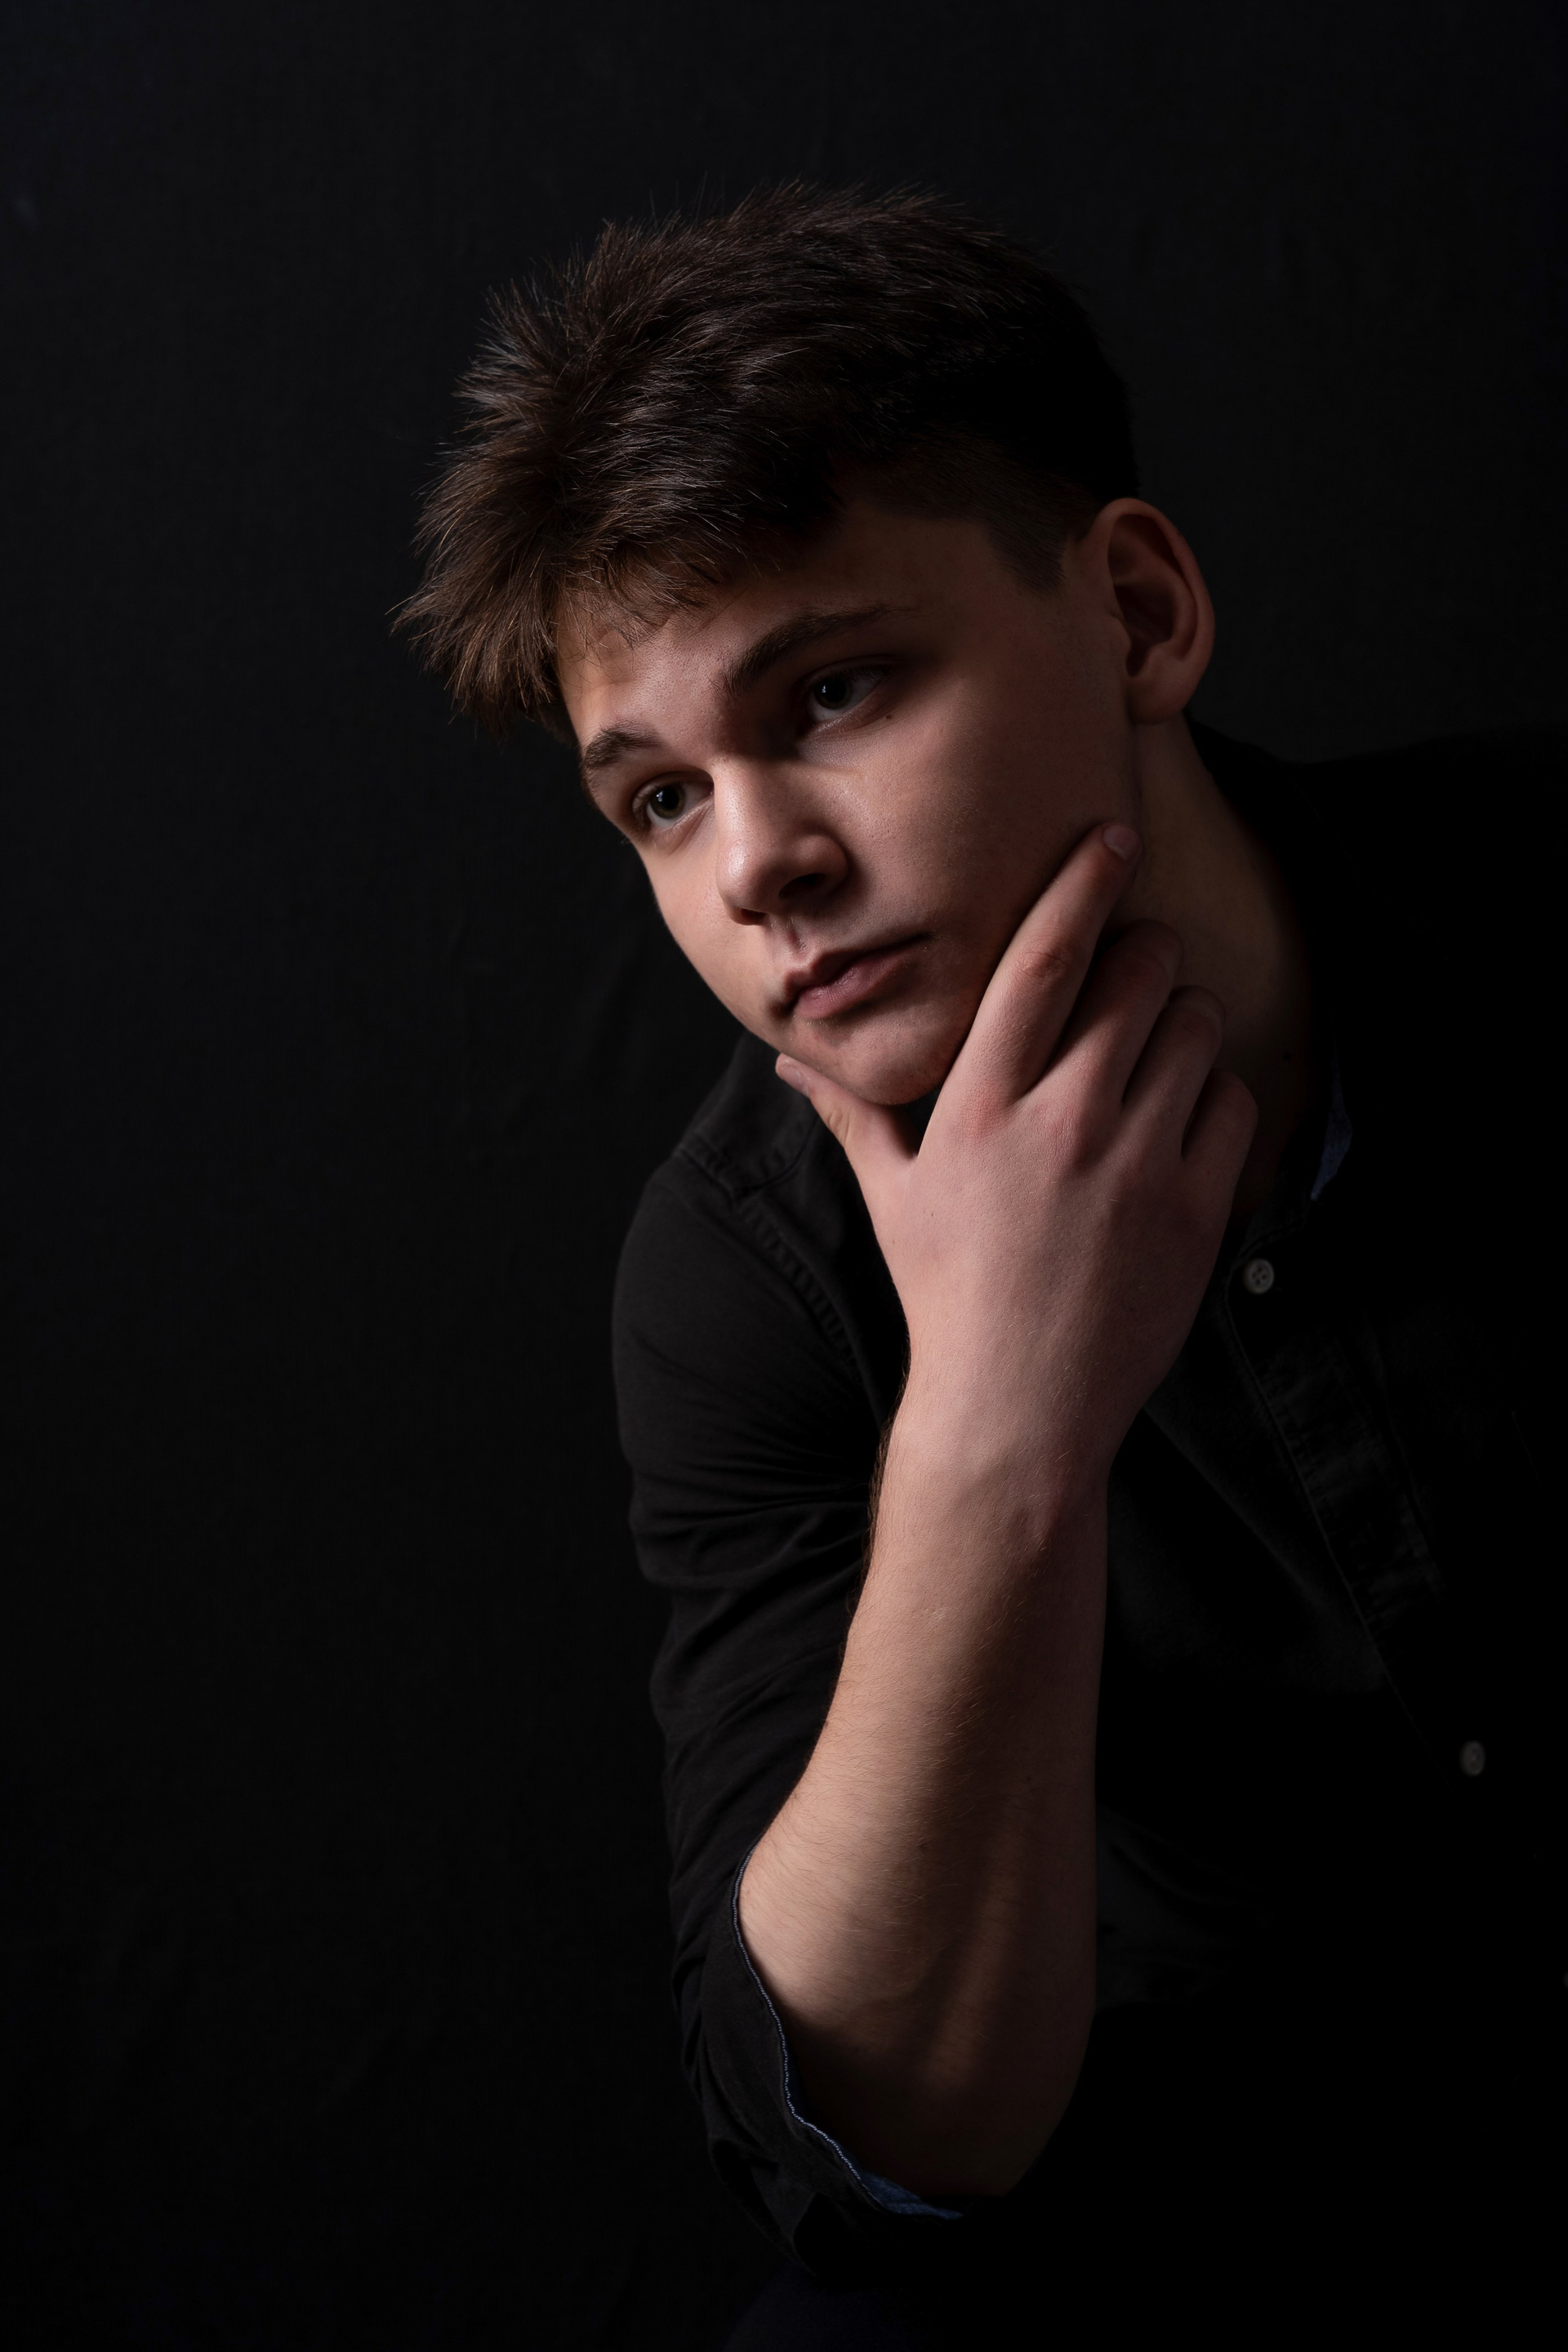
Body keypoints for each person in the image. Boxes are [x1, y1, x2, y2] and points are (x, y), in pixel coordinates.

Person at [403, 187, 1561, 2341]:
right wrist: (997, 1435)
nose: (759, 865)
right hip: (1213, 2192)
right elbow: (882, 2139)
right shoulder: (745, 1282)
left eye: (834, 689)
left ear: (1137, 613)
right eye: (660, 801)